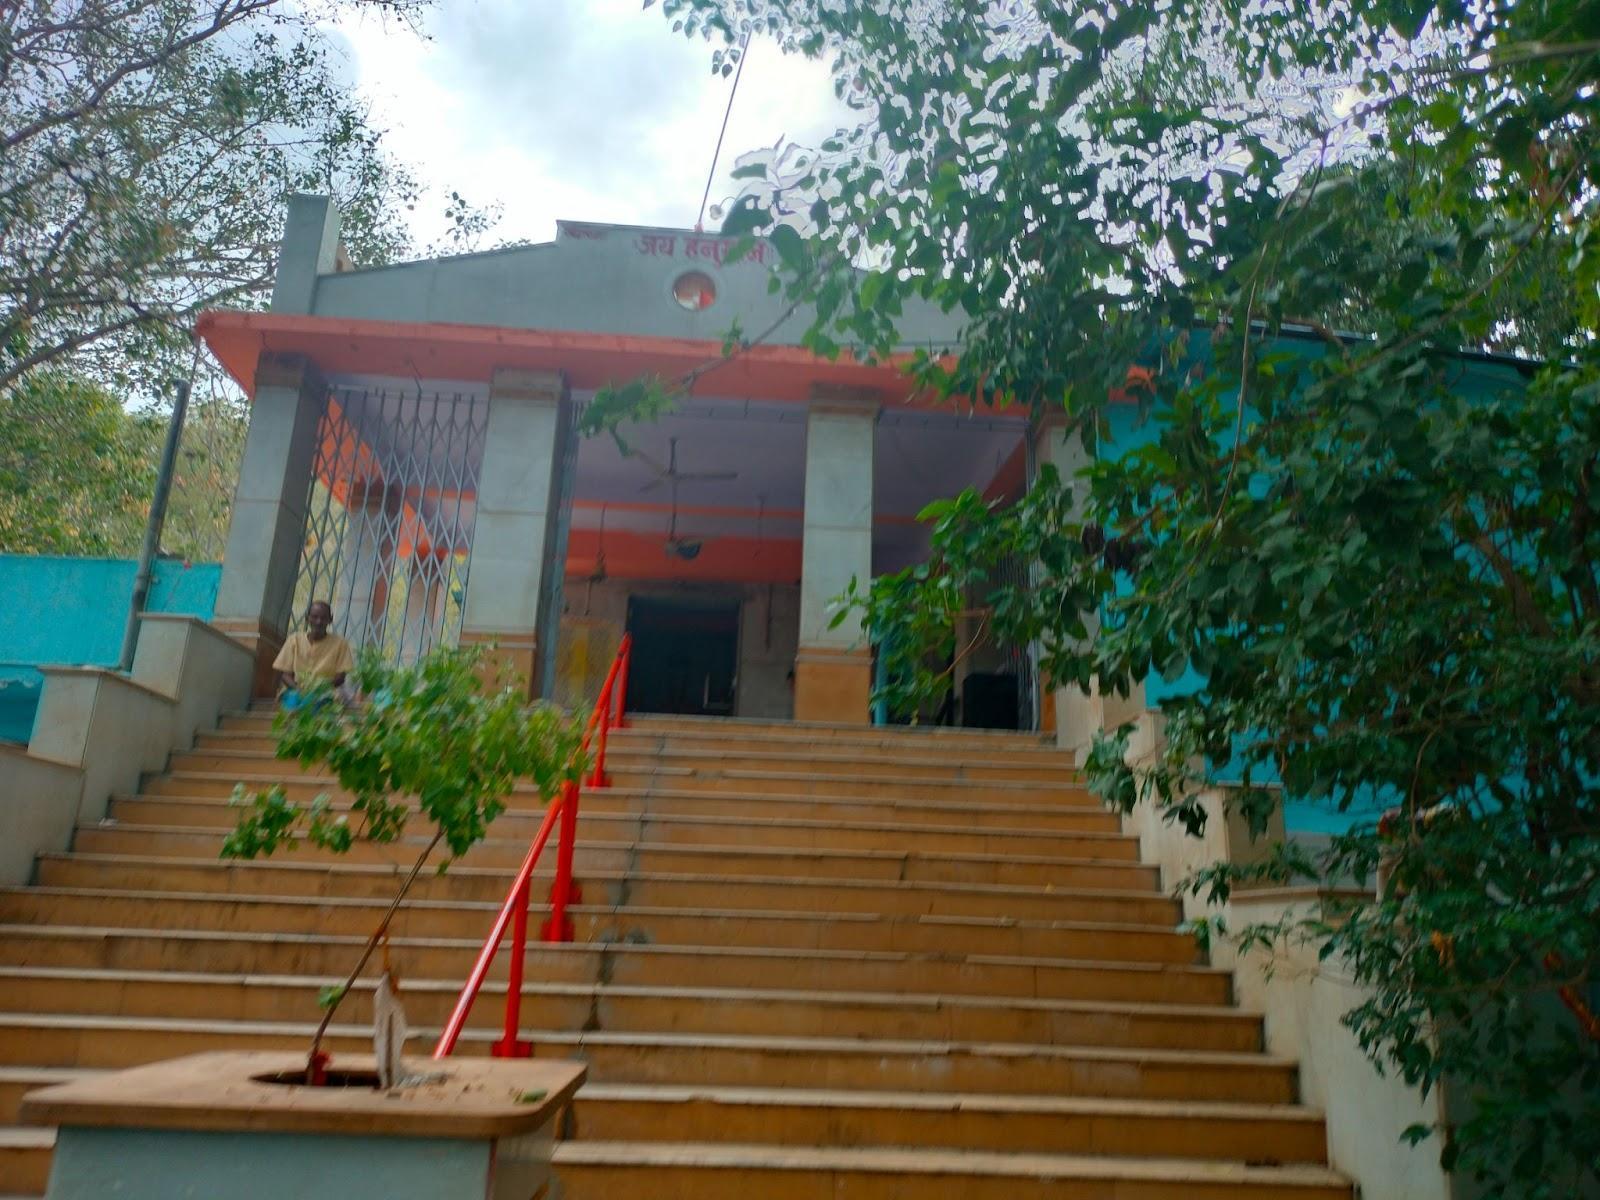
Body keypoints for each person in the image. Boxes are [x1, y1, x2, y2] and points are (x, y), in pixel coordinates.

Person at [273, 600, 355, 709]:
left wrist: (319, 689)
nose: (319, 621)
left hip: (326, 692)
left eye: (323, 618)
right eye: (314, 617)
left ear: (330, 620)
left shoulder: (340, 643)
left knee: (326, 705)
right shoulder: (294, 640)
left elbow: (340, 678)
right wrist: (299, 690)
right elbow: (285, 674)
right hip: (297, 690)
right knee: (292, 706)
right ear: (307, 618)